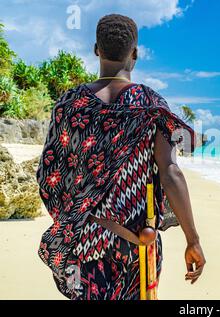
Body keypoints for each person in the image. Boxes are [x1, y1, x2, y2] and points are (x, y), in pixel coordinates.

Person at [36, 14, 206, 300]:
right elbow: (170, 173)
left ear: (96, 50)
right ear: (135, 53)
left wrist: (76, 216)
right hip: (138, 244)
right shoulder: (150, 105)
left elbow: (50, 175)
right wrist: (193, 240)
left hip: (84, 242)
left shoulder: (70, 105)